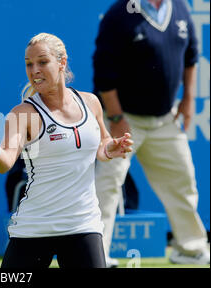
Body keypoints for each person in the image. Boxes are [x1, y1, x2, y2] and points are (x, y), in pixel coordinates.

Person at [0, 33, 133, 268]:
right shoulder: (22, 114)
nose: (34, 70)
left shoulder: (91, 102)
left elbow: (100, 144)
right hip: (35, 227)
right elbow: (4, 162)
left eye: (42, 62)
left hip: (83, 224)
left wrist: (110, 148)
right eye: (28, 64)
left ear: (62, 62)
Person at [93, 0, 209, 266]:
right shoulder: (119, 13)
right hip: (123, 118)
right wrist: (117, 117)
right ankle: (95, 254)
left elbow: (191, 56)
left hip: (165, 118)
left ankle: (190, 249)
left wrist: (188, 98)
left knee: (183, 182)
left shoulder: (179, 8)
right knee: (106, 185)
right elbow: (103, 71)